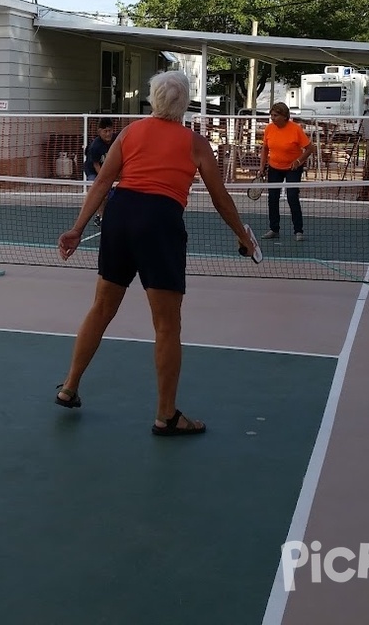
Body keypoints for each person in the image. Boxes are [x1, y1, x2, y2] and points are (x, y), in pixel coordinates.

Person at [54, 71, 259, 436]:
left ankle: (69, 388)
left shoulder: (131, 132)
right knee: (167, 325)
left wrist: (77, 228)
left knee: (101, 308)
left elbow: (103, 182)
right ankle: (166, 415)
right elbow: (219, 196)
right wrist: (242, 234)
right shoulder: (196, 143)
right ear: (185, 104)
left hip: (120, 217)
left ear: (153, 100)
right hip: (160, 222)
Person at [260, 102, 316, 242]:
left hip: (293, 168)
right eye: (271, 115)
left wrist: (298, 161)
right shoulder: (269, 129)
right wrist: (262, 167)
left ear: (285, 116)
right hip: (274, 168)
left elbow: (310, 148)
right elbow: (265, 149)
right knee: (272, 198)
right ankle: (274, 229)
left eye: (275, 115)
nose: (272, 118)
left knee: (292, 197)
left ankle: (298, 231)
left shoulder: (295, 129)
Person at [83, 117, 114, 226]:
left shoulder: (115, 140)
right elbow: (96, 164)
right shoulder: (95, 146)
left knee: (108, 195)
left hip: (106, 169)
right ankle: (101, 217)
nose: (108, 134)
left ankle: (100, 215)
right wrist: (104, 179)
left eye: (110, 130)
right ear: (99, 132)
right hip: (93, 170)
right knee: (100, 193)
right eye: (105, 131)